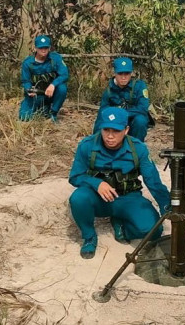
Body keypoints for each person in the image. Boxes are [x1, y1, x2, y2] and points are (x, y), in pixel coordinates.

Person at [69, 107, 170, 259]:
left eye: (116, 131)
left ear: (126, 130)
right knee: (78, 198)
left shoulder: (138, 149)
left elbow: (153, 182)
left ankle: (122, 227)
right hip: (99, 199)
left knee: (153, 230)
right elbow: (75, 176)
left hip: (128, 198)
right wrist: (97, 184)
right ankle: (89, 237)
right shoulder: (87, 145)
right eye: (106, 130)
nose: (110, 136)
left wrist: (166, 207)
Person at [93, 57, 151, 142]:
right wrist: (95, 138)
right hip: (115, 122)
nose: (123, 77)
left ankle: (136, 148)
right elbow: (102, 114)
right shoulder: (109, 90)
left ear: (131, 74)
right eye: (120, 74)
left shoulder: (139, 86)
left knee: (140, 120)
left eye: (127, 74)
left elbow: (143, 108)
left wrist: (121, 114)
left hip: (132, 121)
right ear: (115, 73)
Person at [19, 35, 69, 122]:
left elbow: (64, 75)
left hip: (51, 93)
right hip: (36, 95)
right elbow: (25, 81)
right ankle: (44, 109)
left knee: (62, 88)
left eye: (46, 47)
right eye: (41, 47)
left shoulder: (55, 58)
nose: (43, 50)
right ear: (35, 48)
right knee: (24, 117)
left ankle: (53, 113)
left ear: (49, 48)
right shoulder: (28, 63)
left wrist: (53, 85)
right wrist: (29, 90)